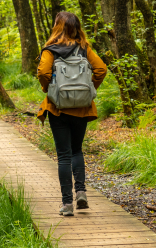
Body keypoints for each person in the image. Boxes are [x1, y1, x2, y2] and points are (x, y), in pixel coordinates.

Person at [36, 11, 107, 216]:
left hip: (57, 109)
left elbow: (43, 73)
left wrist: (50, 89)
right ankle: (81, 192)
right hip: (82, 109)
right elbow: (101, 69)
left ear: (57, 27)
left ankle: (67, 204)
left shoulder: (50, 50)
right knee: (77, 150)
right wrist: (87, 91)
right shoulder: (84, 48)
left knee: (64, 155)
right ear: (77, 27)